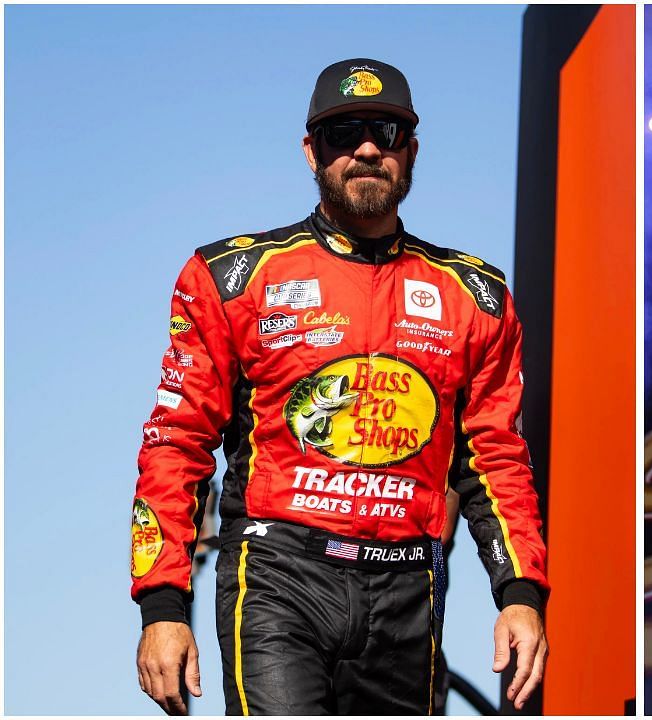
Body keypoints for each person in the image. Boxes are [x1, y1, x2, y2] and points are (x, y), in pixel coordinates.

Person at [131, 58, 549, 715]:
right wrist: (162, 605)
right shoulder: (232, 277)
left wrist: (520, 594)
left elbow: (494, 458)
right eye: (340, 133)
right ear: (310, 152)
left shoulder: (477, 294)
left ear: (409, 150)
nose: (364, 149)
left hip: (411, 587)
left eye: (383, 131)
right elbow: (175, 444)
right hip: (278, 576)